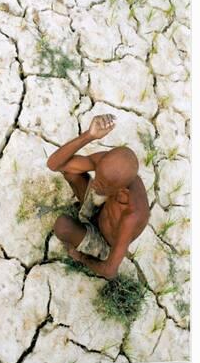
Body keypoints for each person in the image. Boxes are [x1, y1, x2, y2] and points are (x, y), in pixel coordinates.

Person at [47, 114, 149, 280]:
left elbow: (109, 271)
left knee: (63, 226)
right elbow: (54, 164)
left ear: (122, 192)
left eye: (101, 184)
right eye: (97, 177)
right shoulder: (108, 165)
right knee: (72, 173)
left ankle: (84, 237)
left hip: (104, 241)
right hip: (100, 208)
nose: (94, 184)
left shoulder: (133, 214)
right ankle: (88, 212)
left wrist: (81, 257)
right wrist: (89, 135)